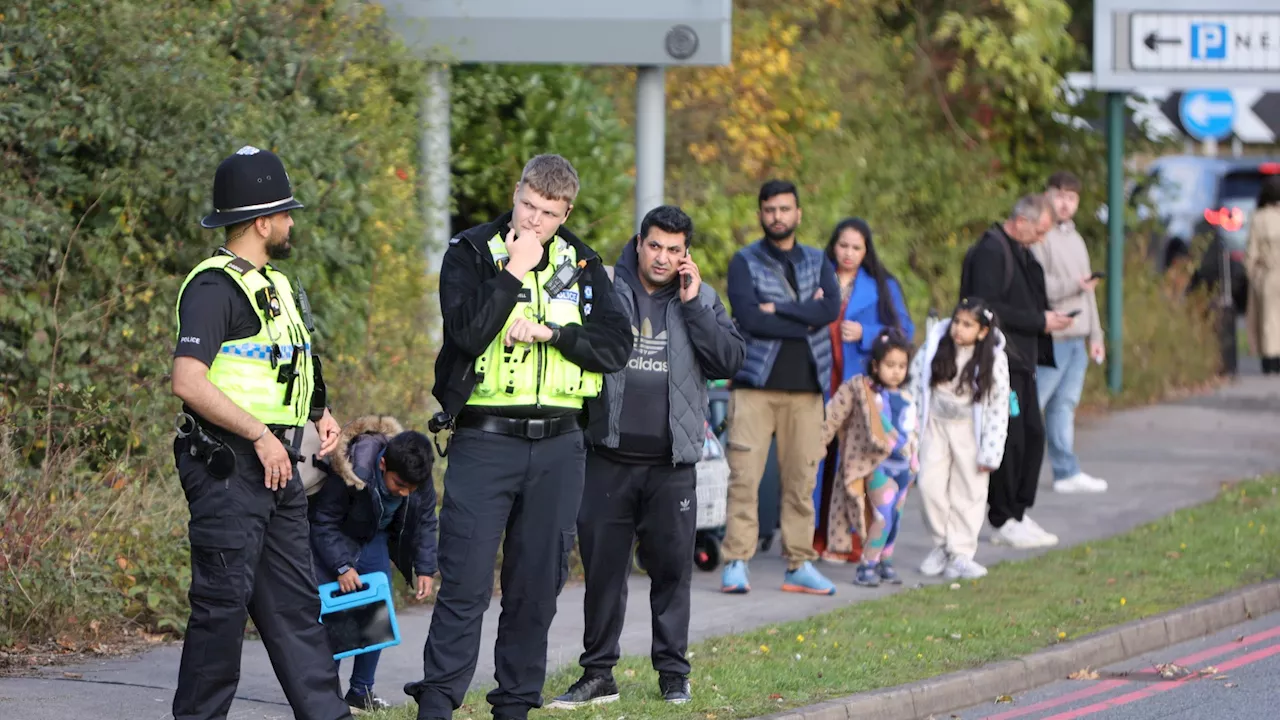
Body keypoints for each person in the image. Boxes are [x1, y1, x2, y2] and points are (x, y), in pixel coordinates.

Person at [404, 154, 632, 720]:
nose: (534, 221)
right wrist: (512, 272)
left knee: (535, 589)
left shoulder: (582, 262)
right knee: (465, 583)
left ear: (566, 212)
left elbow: (616, 345)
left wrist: (555, 334)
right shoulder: (471, 254)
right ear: (516, 193)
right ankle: (437, 705)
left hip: (560, 445)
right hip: (486, 439)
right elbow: (465, 332)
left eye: (548, 213)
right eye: (528, 206)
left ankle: (515, 706)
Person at [170, 146, 352, 720]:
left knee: (297, 608)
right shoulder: (213, 288)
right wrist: (258, 435)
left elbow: (289, 361)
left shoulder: (275, 285)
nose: (293, 222)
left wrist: (319, 411)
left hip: (276, 464)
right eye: (286, 213)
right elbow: (188, 381)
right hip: (229, 466)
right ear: (261, 221)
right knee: (222, 611)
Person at [550, 205, 745, 709]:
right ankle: (598, 675)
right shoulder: (604, 286)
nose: (662, 257)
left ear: (687, 255)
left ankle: (673, 674)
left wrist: (696, 303)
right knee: (604, 573)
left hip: (672, 463)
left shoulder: (699, 299)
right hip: (608, 457)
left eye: (674, 249)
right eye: (654, 245)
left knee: (672, 572)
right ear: (639, 243)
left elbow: (728, 362)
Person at [721, 179, 842, 596]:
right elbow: (750, 318)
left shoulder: (817, 259)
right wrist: (802, 317)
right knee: (743, 477)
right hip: (755, 385)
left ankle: (800, 564)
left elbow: (829, 309)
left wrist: (782, 308)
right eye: (770, 209)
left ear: (798, 213)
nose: (778, 216)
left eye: (785, 209)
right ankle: (736, 560)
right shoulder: (744, 261)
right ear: (761, 213)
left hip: (807, 389)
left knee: (801, 481)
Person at [959, 193, 1070, 550]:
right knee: (1012, 436)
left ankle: (1018, 511)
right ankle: (1002, 516)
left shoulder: (1021, 252)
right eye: (1038, 231)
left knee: (1032, 435)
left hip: (1022, 361)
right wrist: (1038, 320)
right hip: (1000, 361)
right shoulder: (992, 251)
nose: (1041, 239)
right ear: (1020, 221)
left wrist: (1045, 320)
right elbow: (985, 307)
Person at [308, 416, 439, 712]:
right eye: (399, 485)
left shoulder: (417, 476)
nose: (405, 493)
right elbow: (322, 522)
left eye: (411, 488)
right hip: (339, 536)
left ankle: (361, 691)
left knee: (377, 613)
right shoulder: (353, 469)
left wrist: (426, 567)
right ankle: (326, 694)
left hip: (375, 537)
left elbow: (427, 520)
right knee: (338, 617)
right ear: (383, 465)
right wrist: (342, 566)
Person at [814, 218, 914, 564]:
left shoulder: (881, 285)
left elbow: (905, 330)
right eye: (843, 246)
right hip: (820, 381)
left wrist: (868, 333)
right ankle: (812, 535)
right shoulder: (816, 277)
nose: (849, 253)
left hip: (859, 388)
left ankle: (852, 539)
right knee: (816, 460)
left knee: (851, 465)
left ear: (866, 251)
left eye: (857, 248)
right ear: (833, 245)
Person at [910, 298, 1011, 579]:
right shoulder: (934, 348)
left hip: (969, 430)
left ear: (982, 331)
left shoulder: (993, 359)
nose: (959, 329)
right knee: (930, 486)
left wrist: (991, 451)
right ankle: (943, 545)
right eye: (957, 321)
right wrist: (912, 430)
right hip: (935, 426)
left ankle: (962, 552)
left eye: (968, 325)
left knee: (968, 492)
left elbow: (998, 405)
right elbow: (915, 384)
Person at [1032, 171, 1109, 494]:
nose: (1065, 203)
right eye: (1060, 195)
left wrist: (1097, 335)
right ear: (1048, 195)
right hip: (1053, 335)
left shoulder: (1076, 239)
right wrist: (1073, 286)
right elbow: (1036, 285)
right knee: (1030, 404)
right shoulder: (1040, 236)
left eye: (1072, 197)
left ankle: (1065, 471)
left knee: (1065, 405)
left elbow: (1088, 292)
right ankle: (1002, 466)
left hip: (1078, 336)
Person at [1246, 175, 1280, 375]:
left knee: (1269, 318)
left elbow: (1252, 251)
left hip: (1269, 274)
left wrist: (1252, 274)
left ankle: (1270, 359)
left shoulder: (1259, 218)